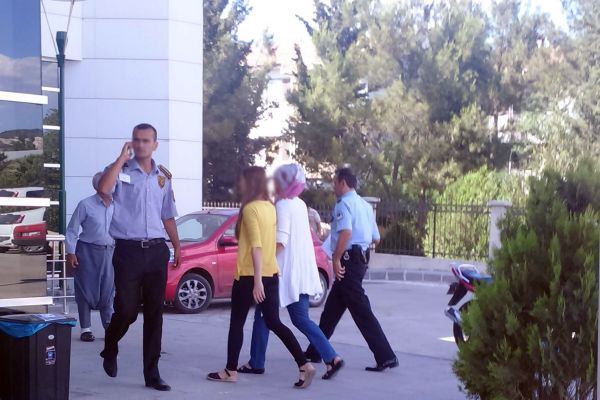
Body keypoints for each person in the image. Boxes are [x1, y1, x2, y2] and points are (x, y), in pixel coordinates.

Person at [207, 166, 316, 389]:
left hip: (249, 276)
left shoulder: (250, 209)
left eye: (242, 181)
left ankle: (230, 370)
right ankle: (304, 364)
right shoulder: (270, 207)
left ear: (250, 183)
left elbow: (256, 246)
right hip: (271, 273)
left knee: (237, 323)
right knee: (274, 322)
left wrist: (257, 281)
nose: (239, 185)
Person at [238, 164, 344, 380]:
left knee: (263, 315)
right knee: (300, 319)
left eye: (278, 180)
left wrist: (263, 261)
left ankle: (256, 362)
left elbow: (282, 240)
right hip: (301, 271)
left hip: (284, 272)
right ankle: (332, 357)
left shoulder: (283, 205)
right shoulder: (300, 204)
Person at [98, 123, 181, 392]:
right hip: (128, 251)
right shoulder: (120, 170)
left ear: (155, 144)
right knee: (127, 310)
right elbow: (103, 189)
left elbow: (167, 215)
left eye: (146, 140)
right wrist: (120, 158)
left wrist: (177, 246)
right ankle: (111, 345)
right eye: (137, 140)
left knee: (155, 314)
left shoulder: (163, 177)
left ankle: (152, 373)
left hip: (157, 250)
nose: (141, 144)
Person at [305, 167, 398, 372]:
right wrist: (359, 246)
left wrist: (337, 258)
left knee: (361, 310)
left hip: (347, 261)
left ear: (343, 183)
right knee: (332, 310)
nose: (333, 187)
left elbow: (346, 232)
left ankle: (386, 356)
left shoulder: (343, 204)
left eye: (334, 182)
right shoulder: (365, 206)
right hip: (359, 260)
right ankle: (316, 350)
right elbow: (376, 238)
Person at [65, 172, 115, 343]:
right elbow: (72, 230)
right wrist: (71, 252)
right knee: (85, 290)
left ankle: (109, 327)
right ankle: (86, 329)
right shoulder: (85, 204)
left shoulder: (118, 205)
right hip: (87, 252)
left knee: (108, 290)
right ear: (99, 186)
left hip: (110, 252)